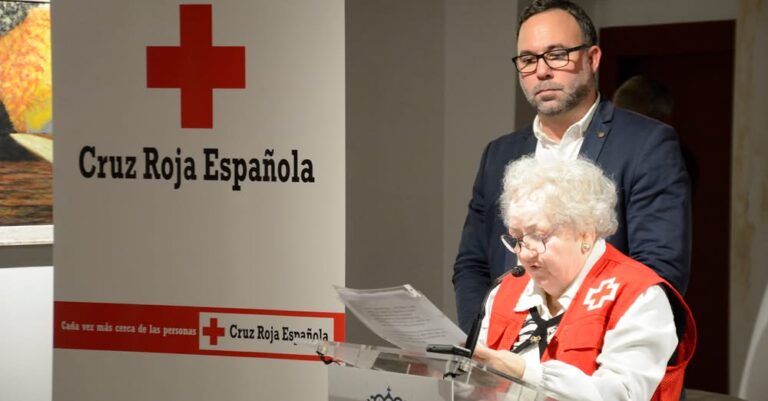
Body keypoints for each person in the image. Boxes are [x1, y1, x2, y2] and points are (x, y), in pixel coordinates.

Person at [452, 0, 691, 333]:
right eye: (528, 59)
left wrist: (563, 348)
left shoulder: (647, 144)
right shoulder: (500, 154)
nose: (542, 70)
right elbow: (472, 265)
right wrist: (485, 340)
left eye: (557, 54)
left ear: (591, 59)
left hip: (599, 363)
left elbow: (658, 272)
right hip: (505, 367)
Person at [472, 156, 696, 401]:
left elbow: (620, 395)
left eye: (538, 236)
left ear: (586, 234)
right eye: (516, 237)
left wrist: (525, 372)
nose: (524, 253)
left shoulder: (637, 296)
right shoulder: (507, 289)